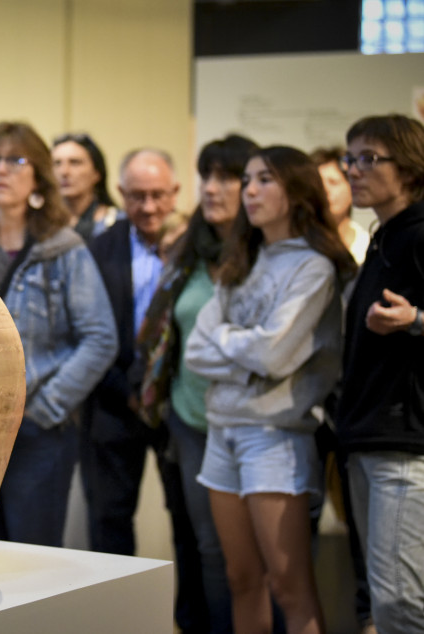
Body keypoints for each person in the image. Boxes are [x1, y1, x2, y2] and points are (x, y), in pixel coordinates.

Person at [185, 145, 356, 634]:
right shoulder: (244, 258)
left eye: (265, 179)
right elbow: (196, 351)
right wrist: (248, 353)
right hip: (223, 430)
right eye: (249, 179)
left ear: (297, 191)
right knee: (240, 579)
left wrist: (240, 350)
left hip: (276, 436)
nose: (250, 190)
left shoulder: (315, 267)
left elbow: (273, 356)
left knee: (289, 585)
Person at [0, 121, 118, 547]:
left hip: (39, 431)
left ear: (37, 177)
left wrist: (48, 407)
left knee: (31, 562)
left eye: (16, 160)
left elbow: (100, 338)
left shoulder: (64, 248)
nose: (1, 171)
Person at [139, 134, 259, 633]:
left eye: (227, 177)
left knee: (265, 557)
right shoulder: (188, 250)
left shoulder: (271, 253)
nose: (212, 188)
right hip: (191, 421)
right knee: (207, 549)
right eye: (207, 176)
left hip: (257, 424)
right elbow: (162, 328)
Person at [84, 148, 205, 633]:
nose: (149, 206)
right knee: (110, 521)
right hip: (113, 402)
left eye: (158, 195)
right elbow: (93, 329)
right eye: (137, 196)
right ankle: (120, 623)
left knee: (189, 523)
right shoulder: (98, 248)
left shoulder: (199, 246)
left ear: (176, 193)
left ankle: (192, 622)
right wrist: (126, 388)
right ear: (121, 195)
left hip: (178, 403)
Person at [335, 114, 424, 633]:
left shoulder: (418, 236)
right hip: (367, 436)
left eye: (369, 158)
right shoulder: (384, 236)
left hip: (403, 441)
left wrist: (416, 320)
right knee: (382, 600)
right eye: (351, 158)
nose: (354, 170)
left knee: (400, 603)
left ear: (410, 169)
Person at [309, 145, 374, 634]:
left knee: (367, 540)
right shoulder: (298, 252)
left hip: (361, 408)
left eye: (332, 180)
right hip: (311, 412)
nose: (323, 190)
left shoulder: (370, 248)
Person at [51, 132, 122, 240]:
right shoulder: (38, 224)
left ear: (97, 173)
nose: (64, 172)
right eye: (57, 163)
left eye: (75, 163)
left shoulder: (117, 223)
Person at [311, 146, 370, 264]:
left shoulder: (366, 246)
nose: (325, 190)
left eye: (333, 182)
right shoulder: (298, 242)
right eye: (319, 184)